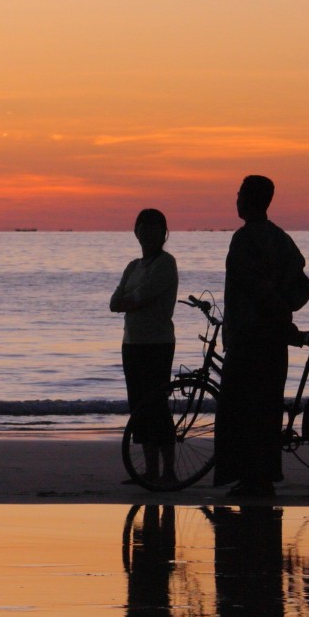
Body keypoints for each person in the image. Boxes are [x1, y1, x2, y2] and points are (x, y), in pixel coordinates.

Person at [214, 176, 309, 499]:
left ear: (248, 200)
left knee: (241, 410)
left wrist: (276, 306)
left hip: (249, 337)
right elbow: (302, 284)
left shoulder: (244, 239)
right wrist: (284, 310)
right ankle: (262, 477)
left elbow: (253, 286)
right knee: (266, 409)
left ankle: (253, 479)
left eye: (239, 195)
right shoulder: (279, 238)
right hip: (272, 339)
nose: (236, 200)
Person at [109, 208, 179, 485]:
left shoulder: (166, 263)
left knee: (157, 404)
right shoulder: (133, 266)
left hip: (158, 343)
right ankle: (150, 470)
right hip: (132, 342)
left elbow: (141, 296)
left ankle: (169, 471)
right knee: (139, 406)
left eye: (153, 229)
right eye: (143, 228)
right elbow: (115, 302)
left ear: (163, 233)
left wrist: (132, 300)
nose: (147, 234)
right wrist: (131, 300)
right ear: (135, 231)